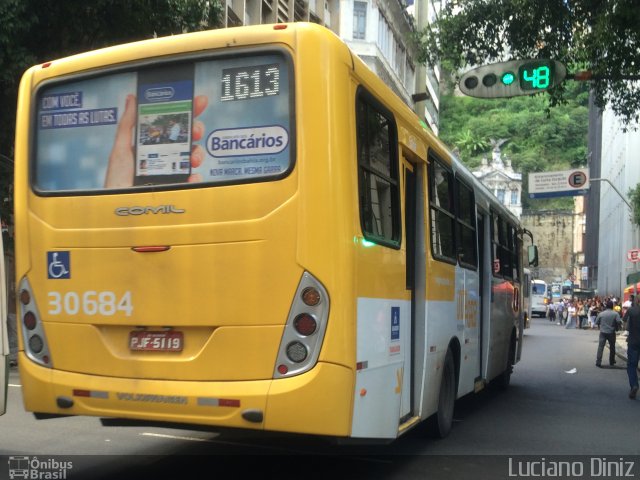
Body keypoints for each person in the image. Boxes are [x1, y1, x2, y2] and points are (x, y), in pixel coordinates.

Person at [595, 300, 622, 367]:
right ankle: (612, 361)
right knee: (612, 347)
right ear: (612, 306)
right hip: (611, 333)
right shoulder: (615, 314)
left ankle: (598, 361)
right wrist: (616, 327)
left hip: (603, 332)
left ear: (606, 306)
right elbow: (619, 322)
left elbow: (596, 322)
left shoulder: (601, 314)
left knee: (600, 347)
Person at [622, 296, 640, 399]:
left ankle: (634, 385)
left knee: (631, 365)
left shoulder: (631, 310)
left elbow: (624, 320)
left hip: (633, 341)